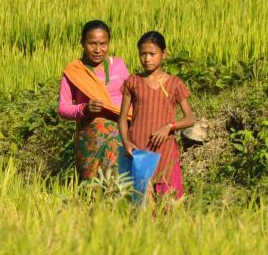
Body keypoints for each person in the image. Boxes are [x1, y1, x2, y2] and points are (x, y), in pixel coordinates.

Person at [119, 31, 196, 199]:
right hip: (137, 149)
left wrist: (169, 126)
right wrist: (125, 142)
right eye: (143, 54)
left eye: (152, 54)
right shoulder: (132, 81)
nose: (147, 59)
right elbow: (123, 117)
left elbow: (190, 118)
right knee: (140, 202)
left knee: (167, 201)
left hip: (165, 150)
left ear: (164, 54)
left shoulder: (175, 84)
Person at [59, 20, 131, 180]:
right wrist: (84, 109)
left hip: (123, 132)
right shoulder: (74, 71)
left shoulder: (119, 65)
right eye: (92, 44)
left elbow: (133, 96)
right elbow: (62, 108)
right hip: (91, 136)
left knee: (124, 181)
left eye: (103, 44)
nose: (98, 50)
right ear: (82, 43)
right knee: (93, 189)